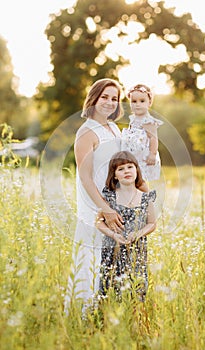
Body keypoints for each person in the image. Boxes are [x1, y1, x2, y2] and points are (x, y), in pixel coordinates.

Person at [64, 78, 125, 314]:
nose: (110, 103)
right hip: (95, 204)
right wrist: (104, 209)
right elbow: (85, 177)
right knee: (90, 257)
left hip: (114, 201)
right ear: (94, 98)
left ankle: (105, 311)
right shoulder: (86, 131)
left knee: (110, 259)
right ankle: (81, 314)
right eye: (105, 97)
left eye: (114, 98)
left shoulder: (113, 128)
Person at [96, 151, 156, 301]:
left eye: (130, 167)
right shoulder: (110, 196)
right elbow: (98, 222)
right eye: (120, 169)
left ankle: (134, 322)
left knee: (136, 290)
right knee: (110, 288)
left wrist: (138, 233)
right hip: (112, 250)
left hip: (136, 251)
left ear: (137, 170)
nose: (126, 171)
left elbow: (152, 223)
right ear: (115, 175)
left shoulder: (145, 197)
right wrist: (114, 235)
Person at [121, 83, 163, 183]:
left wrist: (152, 154)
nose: (137, 104)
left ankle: (142, 196)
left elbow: (153, 138)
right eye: (134, 101)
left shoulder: (148, 121)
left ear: (149, 103)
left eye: (142, 101)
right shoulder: (133, 119)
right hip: (133, 156)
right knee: (132, 178)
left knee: (141, 179)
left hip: (143, 157)